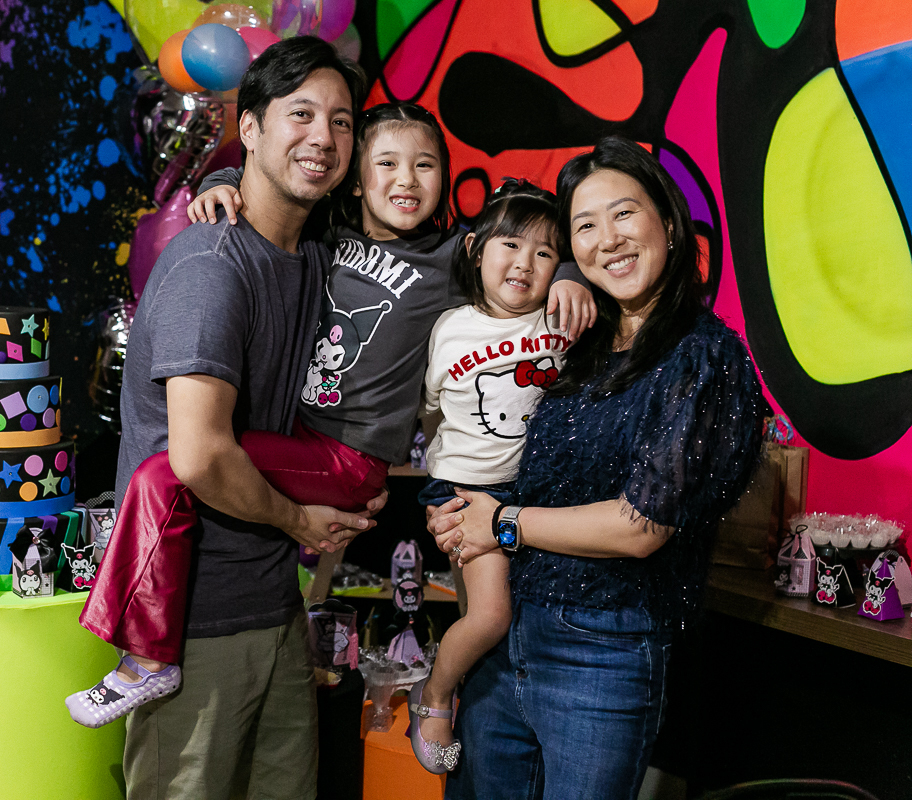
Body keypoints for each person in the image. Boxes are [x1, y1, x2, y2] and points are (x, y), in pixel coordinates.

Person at [69, 102, 595, 732]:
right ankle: (148, 648)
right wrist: (220, 183)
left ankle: (146, 658)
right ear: (353, 177)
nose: (407, 180)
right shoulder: (324, 238)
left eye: (425, 165)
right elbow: (267, 189)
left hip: (349, 459)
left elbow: (528, 232)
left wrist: (566, 270)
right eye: (387, 164)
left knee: (165, 473)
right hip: (299, 444)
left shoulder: (451, 259)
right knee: (185, 465)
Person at [75, 37, 373, 800]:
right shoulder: (212, 267)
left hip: (272, 610)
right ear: (249, 127)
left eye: (341, 123)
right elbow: (200, 456)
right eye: (300, 114)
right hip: (196, 625)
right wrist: (300, 520)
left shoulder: (311, 253)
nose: (323, 138)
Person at [427, 135, 768, 799]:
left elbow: (642, 525)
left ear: (667, 222)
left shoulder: (700, 358)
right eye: (585, 226)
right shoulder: (575, 344)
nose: (607, 238)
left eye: (624, 214)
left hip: (602, 653)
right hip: (503, 636)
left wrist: (501, 524)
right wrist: (459, 516)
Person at [409, 181, 574, 775]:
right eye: (510, 244)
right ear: (477, 250)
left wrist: (576, 278)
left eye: (544, 253)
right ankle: (433, 696)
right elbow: (429, 411)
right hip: (463, 492)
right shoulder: (450, 327)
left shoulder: (562, 320)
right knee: (490, 617)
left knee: (513, 619)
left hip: (531, 495)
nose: (524, 263)